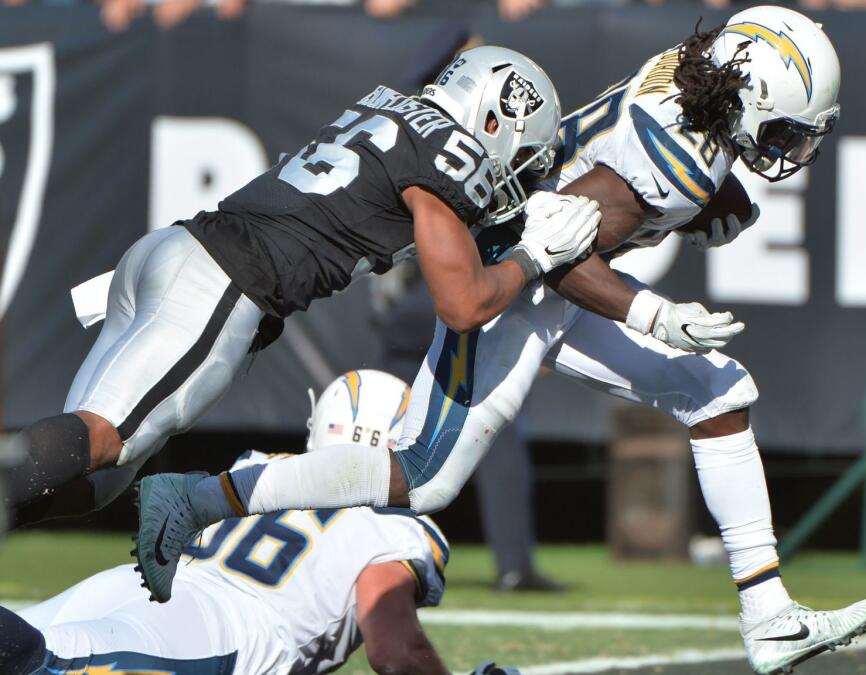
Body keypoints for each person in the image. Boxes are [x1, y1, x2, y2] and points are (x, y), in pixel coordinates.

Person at [140, 8, 866, 674]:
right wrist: (654, 314)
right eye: (785, 128)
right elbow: (555, 250)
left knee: (720, 391)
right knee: (422, 477)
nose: (788, 148)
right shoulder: (674, 159)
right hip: (515, 280)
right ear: (749, 95)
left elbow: (618, 190)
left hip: (544, 269)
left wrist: (713, 205)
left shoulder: (693, 86)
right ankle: (197, 499)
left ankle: (769, 615)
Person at [0, 46, 601, 526]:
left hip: (171, 252)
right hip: (223, 283)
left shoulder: (389, 109)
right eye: (519, 151)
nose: (514, 170)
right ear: (491, 119)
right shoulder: (450, 154)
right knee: (103, 439)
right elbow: (464, 304)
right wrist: (532, 257)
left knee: (94, 481)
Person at [0, 370, 520, 675]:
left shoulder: (259, 466)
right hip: (218, 630)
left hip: (132, 589)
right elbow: (395, 650)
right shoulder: (391, 523)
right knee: (43, 664)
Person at [378, 268, 565, 592]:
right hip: (440, 321)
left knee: (495, 449)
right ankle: (514, 568)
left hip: (436, 321)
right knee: (395, 456)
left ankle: (376, 557)